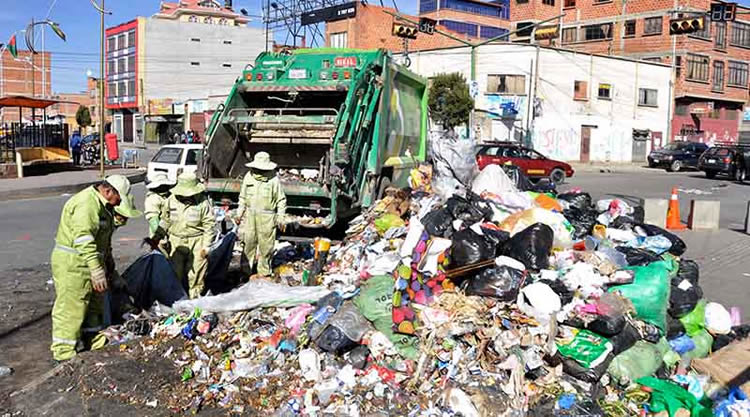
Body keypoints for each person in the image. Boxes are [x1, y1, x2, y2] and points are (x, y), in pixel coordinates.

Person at [50, 175, 138, 362]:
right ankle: (64, 353)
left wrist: (109, 271)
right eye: (118, 198)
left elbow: (104, 247)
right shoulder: (87, 204)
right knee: (72, 307)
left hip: (88, 263)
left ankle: (92, 339)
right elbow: (84, 239)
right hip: (74, 264)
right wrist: (96, 270)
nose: (119, 203)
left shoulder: (102, 207)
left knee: (93, 306)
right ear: (107, 191)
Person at [156, 172, 215, 298]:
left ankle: (194, 299)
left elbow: (209, 226)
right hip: (176, 241)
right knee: (175, 273)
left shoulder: (203, 203)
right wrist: (157, 236)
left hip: (197, 241)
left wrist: (206, 246)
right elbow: (165, 220)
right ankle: (176, 300)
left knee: (196, 275)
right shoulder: (171, 201)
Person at [237, 152, 287, 278]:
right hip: (250, 215)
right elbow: (242, 197)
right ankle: (245, 272)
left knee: (266, 246)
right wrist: (239, 213)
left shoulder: (273, 180)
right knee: (248, 243)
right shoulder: (248, 177)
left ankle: (264, 272)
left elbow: (281, 200)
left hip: (267, 217)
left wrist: (281, 217)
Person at [144, 172, 176, 253]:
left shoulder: (170, 196)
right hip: (160, 237)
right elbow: (153, 220)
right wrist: (161, 238)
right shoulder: (153, 198)